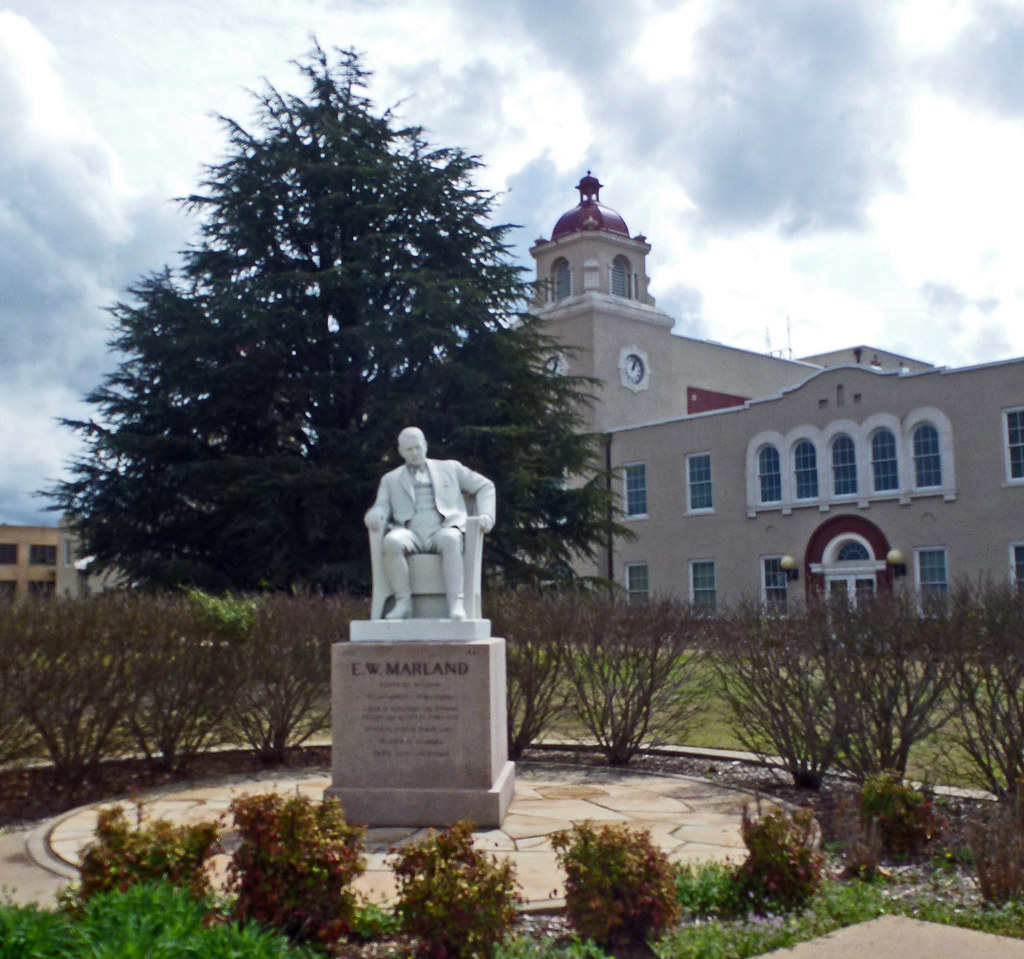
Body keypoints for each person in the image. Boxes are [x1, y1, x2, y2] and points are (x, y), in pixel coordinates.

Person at [364, 427, 495, 621]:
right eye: (409, 449)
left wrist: (486, 515)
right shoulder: (390, 479)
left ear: (425, 445)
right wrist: (374, 514)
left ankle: (456, 603)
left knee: (451, 539)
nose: (415, 453)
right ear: (401, 452)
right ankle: (403, 603)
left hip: (442, 529)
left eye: (418, 447)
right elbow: (382, 506)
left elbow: (485, 485)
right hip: (410, 532)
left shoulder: (450, 468)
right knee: (391, 542)